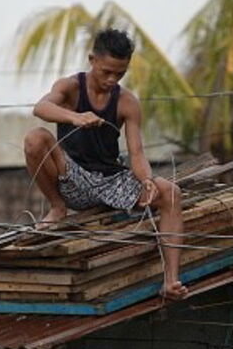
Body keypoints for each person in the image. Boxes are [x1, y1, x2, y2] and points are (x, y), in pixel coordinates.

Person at [23, 28, 188, 300]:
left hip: (111, 180)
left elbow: (136, 153)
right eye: (106, 72)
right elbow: (40, 108)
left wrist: (146, 180)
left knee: (171, 192)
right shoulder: (70, 87)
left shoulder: (127, 102)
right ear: (92, 60)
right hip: (72, 177)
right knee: (35, 138)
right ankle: (57, 207)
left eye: (119, 74)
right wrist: (75, 117)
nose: (112, 79)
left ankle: (171, 281)